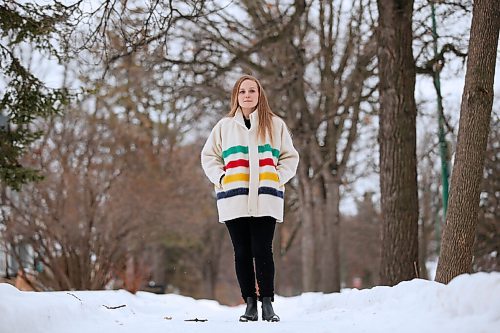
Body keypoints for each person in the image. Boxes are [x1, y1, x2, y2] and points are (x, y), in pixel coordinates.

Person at [201, 75, 299, 322]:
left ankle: (267, 303)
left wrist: (277, 177)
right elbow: (209, 157)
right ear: (236, 95)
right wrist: (222, 178)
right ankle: (249, 304)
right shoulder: (224, 126)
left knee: (262, 250)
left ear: (259, 94)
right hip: (234, 197)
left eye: (252, 91)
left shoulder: (275, 125)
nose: (247, 95)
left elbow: (290, 157)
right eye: (242, 91)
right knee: (242, 252)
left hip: (266, 196)